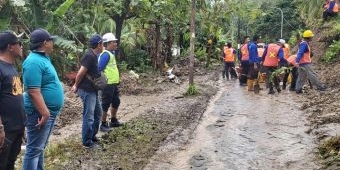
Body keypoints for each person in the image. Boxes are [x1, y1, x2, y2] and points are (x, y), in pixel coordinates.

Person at [22, 28, 64, 169]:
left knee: (39, 148)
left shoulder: (42, 58)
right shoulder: (33, 62)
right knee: (33, 150)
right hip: (39, 114)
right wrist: (45, 113)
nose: (53, 43)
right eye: (51, 40)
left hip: (47, 112)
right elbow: (33, 91)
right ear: (45, 43)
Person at [71, 34, 103, 149]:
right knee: (89, 116)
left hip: (93, 90)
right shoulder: (89, 56)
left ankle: (92, 136)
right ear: (99, 45)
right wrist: (75, 85)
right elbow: (80, 73)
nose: (103, 46)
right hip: (87, 90)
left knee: (98, 113)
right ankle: (87, 142)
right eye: (102, 44)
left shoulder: (94, 55)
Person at [0, 31, 25, 170]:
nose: (21, 46)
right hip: (6, 131)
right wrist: (0, 129)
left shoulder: (12, 68)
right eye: (19, 43)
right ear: (10, 47)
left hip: (17, 128)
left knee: (10, 164)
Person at [98, 33, 123, 132]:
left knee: (116, 101)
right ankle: (103, 124)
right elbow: (99, 68)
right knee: (105, 103)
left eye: (115, 42)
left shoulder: (111, 53)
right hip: (107, 84)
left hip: (113, 83)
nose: (116, 44)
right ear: (107, 44)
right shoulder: (105, 55)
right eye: (114, 42)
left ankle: (113, 120)